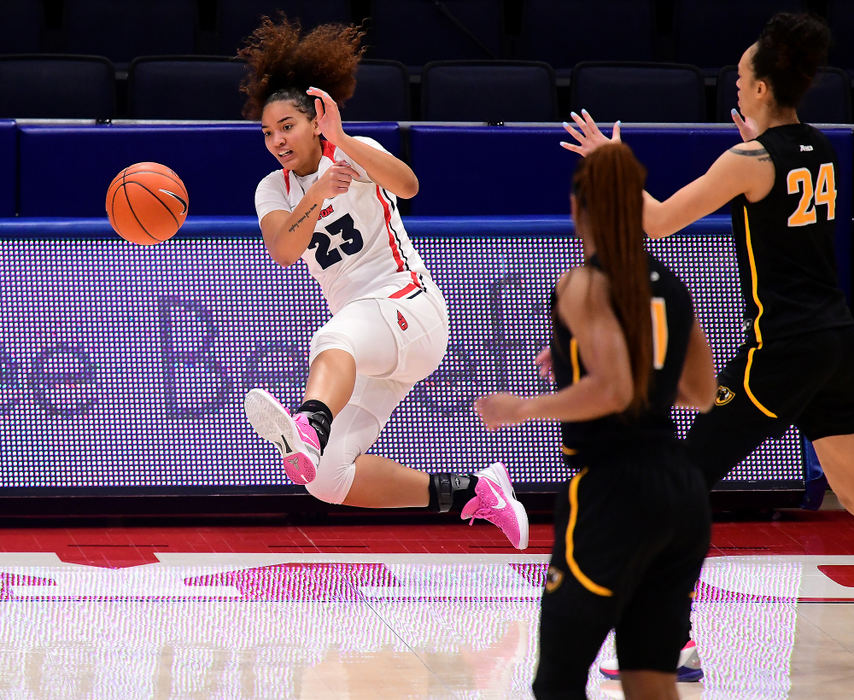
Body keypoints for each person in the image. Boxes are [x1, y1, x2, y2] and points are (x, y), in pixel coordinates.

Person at [562, 10, 854, 681]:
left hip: (783, 346)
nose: (737, 80)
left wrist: (611, 163)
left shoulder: (747, 160)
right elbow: (781, 193)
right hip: (838, 339)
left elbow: (658, 222)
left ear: (757, 91)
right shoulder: (823, 148)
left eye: (744, 74)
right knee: (850, 484)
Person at [237, 15, 528, 549]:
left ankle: (309, 422)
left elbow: (410, 184)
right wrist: (318, 192)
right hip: (372, 347)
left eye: (287, 127)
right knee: (327, 480)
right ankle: (472, 492)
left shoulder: (352, 150)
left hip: (408, 306)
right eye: (268, 132)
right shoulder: (271, 189)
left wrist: (342, 138)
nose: (277, 140)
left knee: (332, 338)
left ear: (314, 120)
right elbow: (283, 250)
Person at [476, 142, 717, 699]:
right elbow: (700, 392)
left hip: (614, 491)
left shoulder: (584, 282)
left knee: (557, 681)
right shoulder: (672, 286)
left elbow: (613, 388)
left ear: (576, 207)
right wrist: (572, 363)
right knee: (649, 676)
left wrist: (523, 408)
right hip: (681, 493)